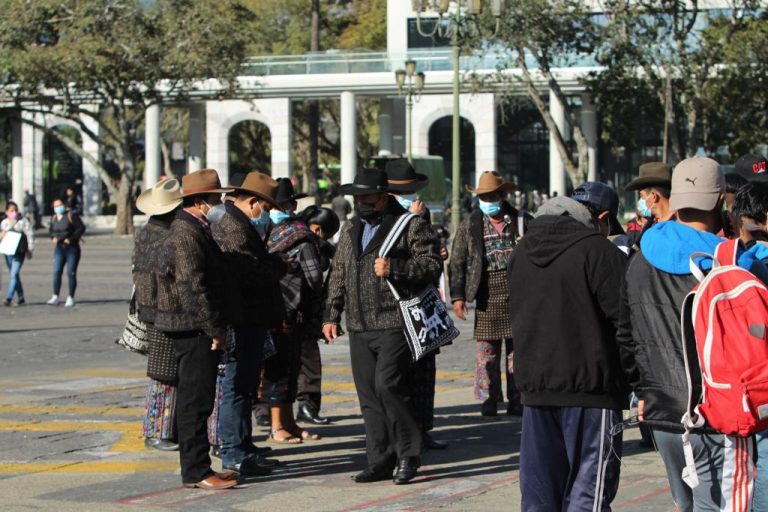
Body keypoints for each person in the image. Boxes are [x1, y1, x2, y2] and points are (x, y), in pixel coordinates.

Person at [617, 157, 764, 511]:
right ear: (719, 201)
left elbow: (625, 336)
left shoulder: (639, 259)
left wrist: (642, 392)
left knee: (686, 504)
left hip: (663, 414)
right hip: (717, 415)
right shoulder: (728, 261)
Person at [507, 195, 628, 511]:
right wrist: (636, 383)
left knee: (539, 496)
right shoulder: (599, 251)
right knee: (588, 495)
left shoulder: (520, 253)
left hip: (536, 390)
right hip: (592, 391)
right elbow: (626, 324)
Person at [323, 168, 442, 485]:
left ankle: (408, 454)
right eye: (358, 197)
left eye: (369, 197)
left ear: (385, 195)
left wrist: (396, 268)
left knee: (388, 385)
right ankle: (379, 460)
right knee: (369, 397)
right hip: (359, 324)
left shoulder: (409, 225)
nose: (363, 202)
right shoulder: (350, 229)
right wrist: (330, 314)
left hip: (394, 321)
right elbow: (339, 272)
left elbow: (432, 265)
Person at [153, 169, 237, 491]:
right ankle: (197, 469)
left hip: (195, 325)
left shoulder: (196, 229)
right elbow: (192, 286)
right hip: (191, 328)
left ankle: (200, 465)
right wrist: (213, 328)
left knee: (199, 398)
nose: (220, 204)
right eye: (216, 199)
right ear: (201, 201)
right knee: (195, 399)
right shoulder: (186, 233)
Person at [210, 171, 285, 476]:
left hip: (250, 315)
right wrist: (278, 266)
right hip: (243, 316)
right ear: (252, 202)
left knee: (244, 385)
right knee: (237, 386)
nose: (264, 215)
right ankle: (233, 451)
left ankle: (243, 443)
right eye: (264, 209)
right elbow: (249, 270)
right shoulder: (233, 225)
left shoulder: (234, 221)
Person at [448, 171, 527, 417]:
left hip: (517, 292)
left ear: (502, 195)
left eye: (491, 195)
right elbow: (457, 262)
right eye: (483, 196)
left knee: (518, 354)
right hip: (485, 293)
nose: (487, 200)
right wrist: (457, 296)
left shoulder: (522, 221)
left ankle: (518, 400)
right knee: (486, 354)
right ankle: (488, 399)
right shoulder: (469, 225)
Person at [384, 158, 448, 451]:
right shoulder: (386, 219)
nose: (411, 197)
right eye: (404, 192)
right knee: (400, 375)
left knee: (424, 372)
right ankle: (404, 434)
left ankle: (423, 429)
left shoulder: (420, 218)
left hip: (422, 304)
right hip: (396, 306)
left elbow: (428, 257)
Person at [263, 178, 326, 443]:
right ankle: (279, 425)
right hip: (290, 312)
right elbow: (314, 278)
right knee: (283, 370)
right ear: (293, 205)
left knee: (282, 369)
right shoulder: (302, 236)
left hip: (267, 309)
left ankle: (287, 422)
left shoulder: (262, 232)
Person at [133, 179, 184, 452]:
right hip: (163, 309)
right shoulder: (167, 235)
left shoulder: (146, 231)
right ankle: (157, 432)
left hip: (150, 306)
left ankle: (162, 429)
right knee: (164, 375)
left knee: (162, 373)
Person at [295, 205, 341, 426]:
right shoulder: (305, 242)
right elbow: (314, 279)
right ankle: (307, 405)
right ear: (317, 229)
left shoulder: (290, 232)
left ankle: (269, 412)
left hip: (290, 309)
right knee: (310, 361)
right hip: (302, 310)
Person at [47, 198, 86, 307]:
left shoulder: (71, 215)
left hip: (72, 248)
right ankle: (55, 296)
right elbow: (51, 231)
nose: (58, 208)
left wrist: (72, 238)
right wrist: (52, 237)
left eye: (59, 205)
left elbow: (81, 227)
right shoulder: (54, 218)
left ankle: (70, 297)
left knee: (71, 272)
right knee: (57, 271)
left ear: (64, 205)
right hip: (59, 248)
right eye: (55, 206)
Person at [1, 201, 34, 306]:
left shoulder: (23, 221)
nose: (14, 212)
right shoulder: (4, 222)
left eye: (15, 210)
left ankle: (9, 297)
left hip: (19, 251)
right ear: (6, 212)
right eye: (11, 211)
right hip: (8, 251)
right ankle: (21, 297)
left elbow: (29, 234)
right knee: (14, 275)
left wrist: (30, 249)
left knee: (13, 274)